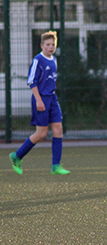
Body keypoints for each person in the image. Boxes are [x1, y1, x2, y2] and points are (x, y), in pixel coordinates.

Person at [9, 31, 70, 175]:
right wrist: (38, 100)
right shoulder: (38, 60)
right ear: (42, 45)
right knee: (41, 133)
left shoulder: (54, 60)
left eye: (53, 44)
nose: (51, 47)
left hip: (52, 98)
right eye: (48, 45)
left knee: (58, 129)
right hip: (40, 99)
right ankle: (17, 156)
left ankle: (56, 166)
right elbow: (31, 81)